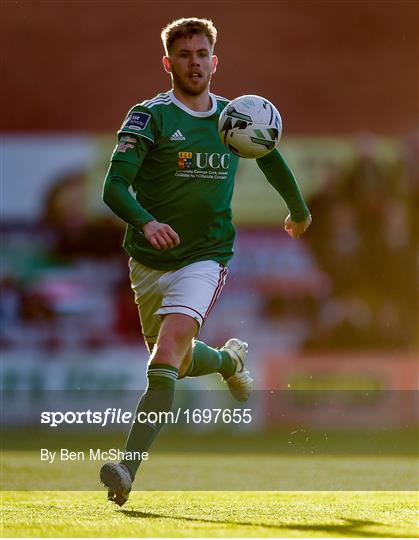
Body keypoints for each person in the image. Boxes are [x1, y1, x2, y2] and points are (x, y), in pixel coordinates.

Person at [100, 17, 311, 506]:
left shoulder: (235, 116)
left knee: (169, 350)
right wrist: (147, 222)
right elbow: (113, 186)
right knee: (173, 360)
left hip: (206, 257)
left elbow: (270, 154)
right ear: (168, 62)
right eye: (184, 55)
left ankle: (126, 470)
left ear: (215, 62)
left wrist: (298, 210)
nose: (194, 63)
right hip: (148, 262)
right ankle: (229, 360)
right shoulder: (150, 117)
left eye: (202, 54)